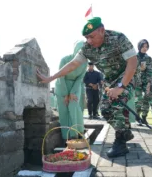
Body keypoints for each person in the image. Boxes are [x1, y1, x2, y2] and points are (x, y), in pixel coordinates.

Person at [37, 17, 137, 158]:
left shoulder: (118, 38)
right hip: (110, 81)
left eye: (91, 36)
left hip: (126, 75)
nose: (89, 40)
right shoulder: (87, 48)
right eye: (86, 37)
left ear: (101, 30)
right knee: (105, 110)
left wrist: (121, 87)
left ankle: (120, 142)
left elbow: (132, 62)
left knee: (113, 104)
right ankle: (125, 132)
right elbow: (73, 64)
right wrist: (51, 77)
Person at [54, 40, 87, 140]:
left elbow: (80, 78)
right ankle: (67, 137)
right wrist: (65, 94)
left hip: (75, 86)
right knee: (64, 110)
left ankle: (78, 133)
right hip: (62, 85)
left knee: (74, 106)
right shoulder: (65, 59)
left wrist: (72, 92)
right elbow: (61, 76)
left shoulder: (84, 62)